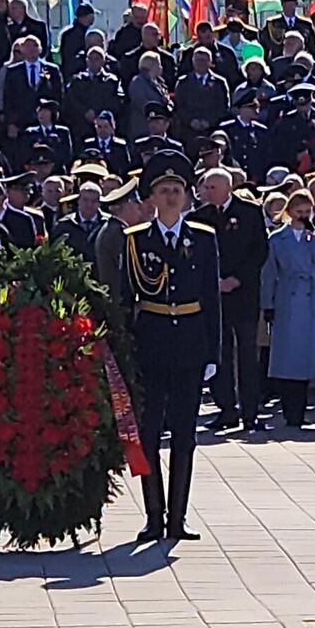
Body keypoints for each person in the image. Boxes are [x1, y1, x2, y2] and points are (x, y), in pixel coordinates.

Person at [117, 151, 220, 542]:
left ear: (188, 196)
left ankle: (178, 516)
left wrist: (213, 353)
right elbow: (127, 300)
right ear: (152, 198)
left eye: (177, 190)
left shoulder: (203, 239)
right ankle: (153, 514)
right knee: (147, 433)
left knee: (184, 434)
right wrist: (124, 352)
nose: (172, 196)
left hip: (190, 342)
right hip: (152, 342)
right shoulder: (136, 240)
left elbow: (212, 300)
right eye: (164, 190)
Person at [192, 167, 267, 433]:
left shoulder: (249, 212)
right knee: (218, 353)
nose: (207, 192)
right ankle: (226, 409)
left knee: (247, 354)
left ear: (226, 188)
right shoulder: (198, 217)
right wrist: (213, 282)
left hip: (244, 294)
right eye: (205, 187)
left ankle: (251, 412)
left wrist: (238, 279)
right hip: (214, 297)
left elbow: (259, 252)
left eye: (212, 188)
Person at [260, 189, 315, 428]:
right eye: (299, 211)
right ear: (289, 212)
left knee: (313, 354)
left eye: (307, 211)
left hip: (311, 295)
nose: (303, 216)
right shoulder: (277, 238)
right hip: (287, 296)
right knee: (288, 357)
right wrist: (268, 304)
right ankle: (291, 410)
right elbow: (269, 272)